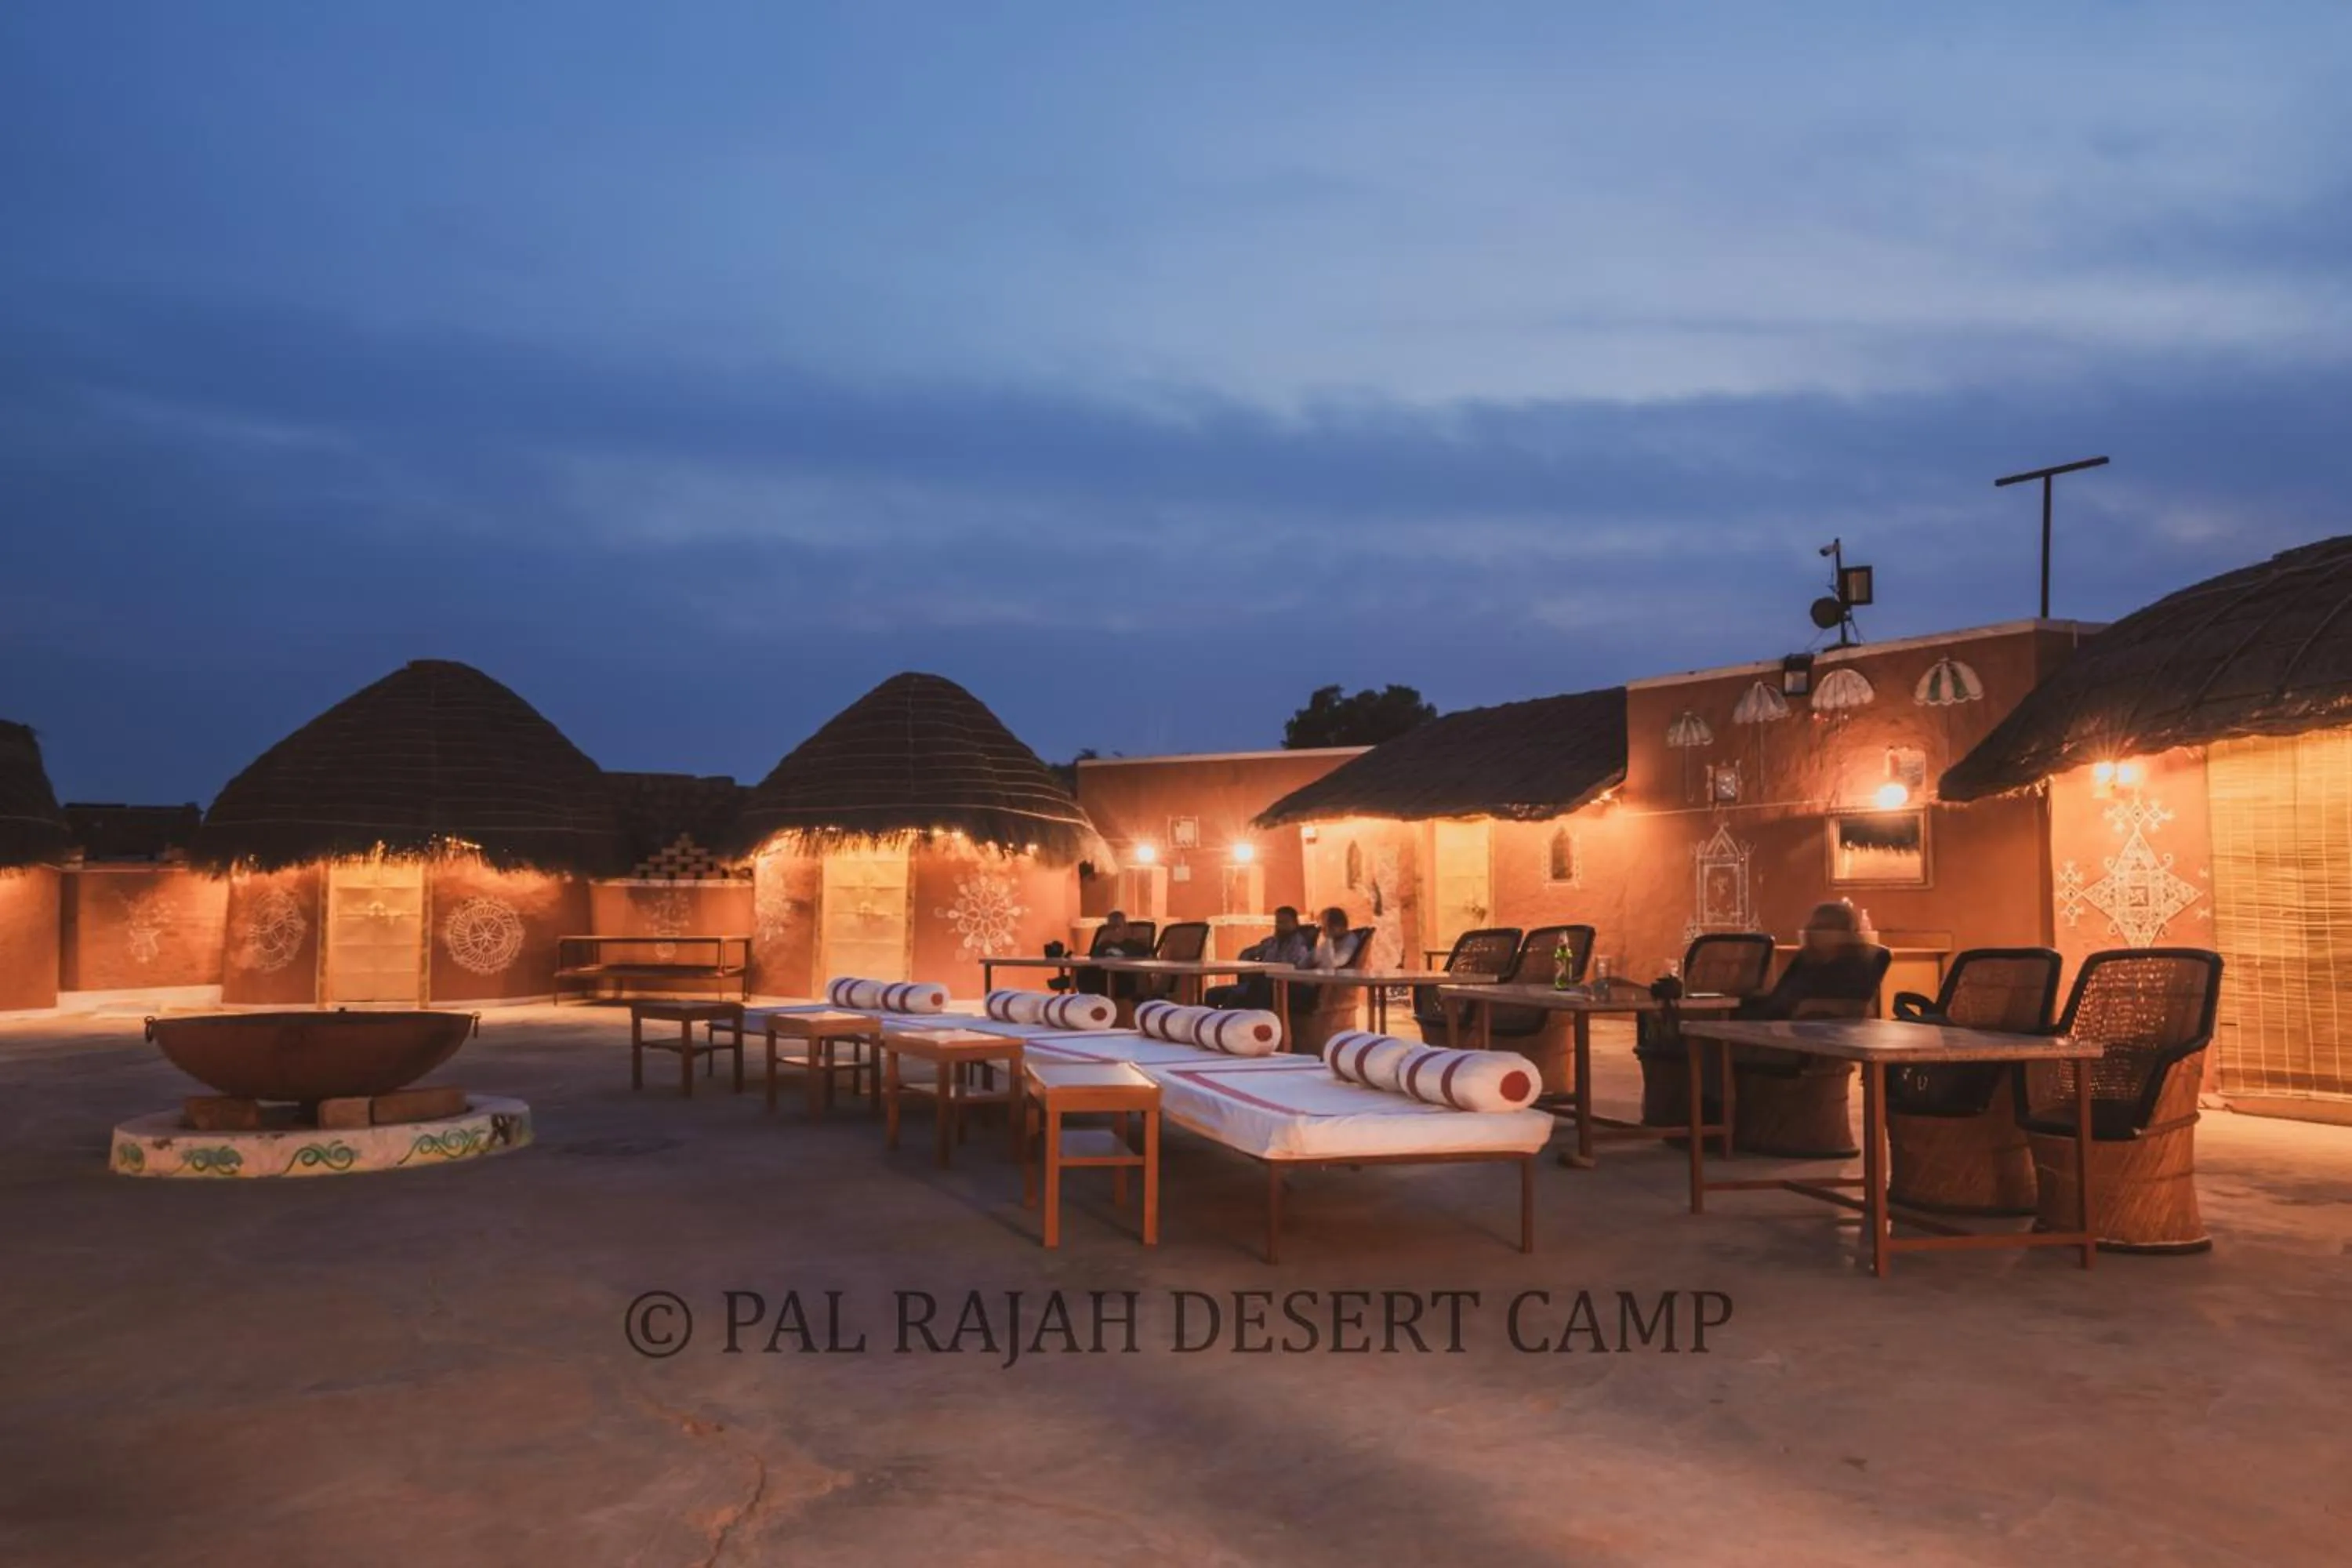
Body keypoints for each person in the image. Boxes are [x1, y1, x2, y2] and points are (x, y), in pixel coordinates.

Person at [1735, 902, 1882, 1021]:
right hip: (1781, 1020)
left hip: (1814, 1030)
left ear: (1847, 931)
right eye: (1814, 927)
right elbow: (1781, 994)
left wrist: (1812, 1006)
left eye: (1826, 927)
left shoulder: (1857, 964)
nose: (1816, 932)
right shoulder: (1806, 958)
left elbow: (1860, 1008)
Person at [1206, 906, 1312, 1010]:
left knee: (1235, 997)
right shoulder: (1272, 942)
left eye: (1284, 922)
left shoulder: (1300, 945)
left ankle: (1227, 1024)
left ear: (1295, 923)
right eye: (1278, 922)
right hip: (1256, 984)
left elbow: (1293, 969)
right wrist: (1248, 957)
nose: (1280, 926)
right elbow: (1248, 952)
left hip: (1276, 988)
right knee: (1212, 994)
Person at [1074, 909, 1152, 1000]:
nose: (1115, 930)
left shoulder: (1135, 946)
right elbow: (1093, 961)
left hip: (1124, 979)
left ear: (1126, 927)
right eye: (1111, 927)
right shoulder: (1102, 946)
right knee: (1085, 973)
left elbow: (1151, 960)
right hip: (1103, 977)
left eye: (1118, 926)